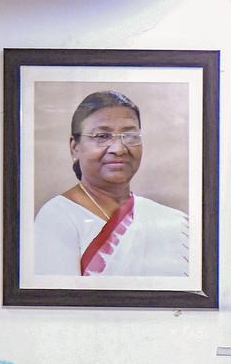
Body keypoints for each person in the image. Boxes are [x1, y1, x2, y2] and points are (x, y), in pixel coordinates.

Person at [33, 90, 189, 277]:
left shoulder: (172, 222)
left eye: (130, 136)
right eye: (102, 136)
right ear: (75, 148)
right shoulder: (58, 216)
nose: (119, 149)